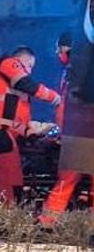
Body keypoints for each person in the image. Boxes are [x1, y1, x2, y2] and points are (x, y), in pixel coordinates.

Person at [0, 45, 61, 207]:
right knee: (10, 186)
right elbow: (27, 84)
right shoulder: (9, 64)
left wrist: (35, 131)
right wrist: (56, 98)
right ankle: (6, 224)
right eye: (29, 65)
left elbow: (18, 120)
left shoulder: (12, 89)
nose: (29, 71)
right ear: (21, 59)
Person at [38, 33, 83, 225]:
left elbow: (67, 107)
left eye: (60, 48)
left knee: (66, 181)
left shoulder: (74, 70)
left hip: (78, 135)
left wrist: (62, 132)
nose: (58, 52)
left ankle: (47, 221)